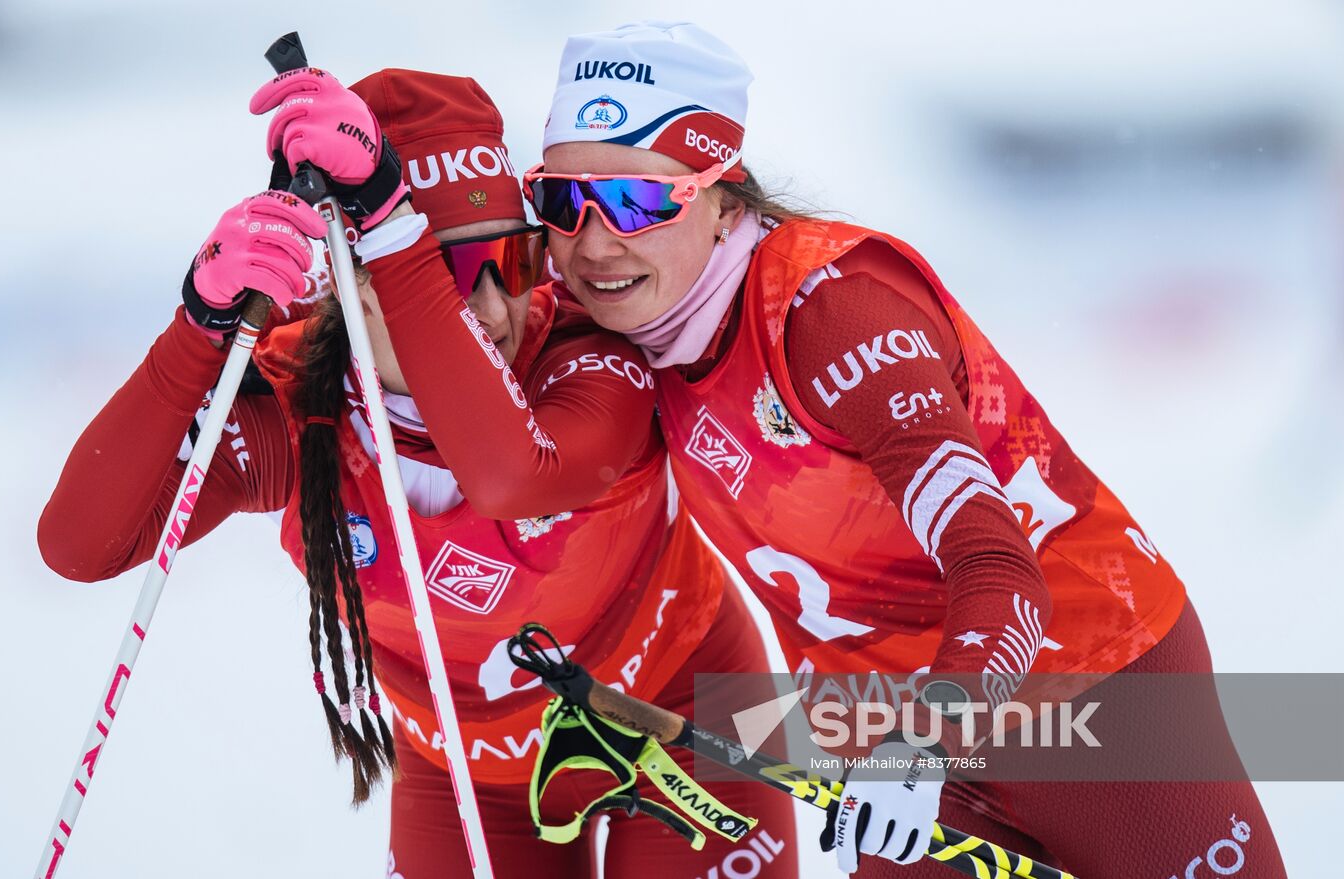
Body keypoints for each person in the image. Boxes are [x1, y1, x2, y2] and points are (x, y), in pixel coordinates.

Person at [527, 21, 1289, 878]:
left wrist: (921, 747)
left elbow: (999, 569)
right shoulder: (618, 317)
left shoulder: (833, 311)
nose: (594, 241)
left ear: (723, 198)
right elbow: (441, 307)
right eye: (561, 200)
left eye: (636, 200)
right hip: (880, 722)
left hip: (1081, 679)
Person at [38, 67, 796, 878]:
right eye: (453, 277)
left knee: (924, 757)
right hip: (465, 767)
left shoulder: (581, 351)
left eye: (511, 257)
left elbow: (514, 476)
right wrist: (197, 324)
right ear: (354, 282)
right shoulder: (309, 410)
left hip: (687, 705)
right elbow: (79, 546)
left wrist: (401, 235)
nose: (502, 309)